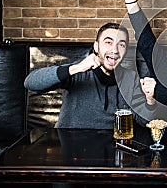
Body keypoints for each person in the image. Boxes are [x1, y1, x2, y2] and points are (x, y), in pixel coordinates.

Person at [24, 23, 157, 129]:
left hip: (111, 147)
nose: (115, 50)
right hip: (71, 144)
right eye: (108, 42)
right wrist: (75, 68)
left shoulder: (130, 78)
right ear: (96, 47)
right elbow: (30, 83)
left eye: (121, 45)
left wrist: (150, 100)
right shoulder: (78, 70)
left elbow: (144, 121)